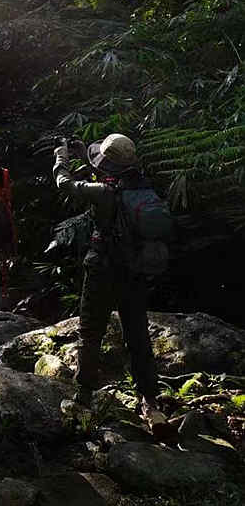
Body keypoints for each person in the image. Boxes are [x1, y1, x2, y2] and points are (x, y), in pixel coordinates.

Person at [53, 132, 164, 426]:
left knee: (91, 331)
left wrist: (60, 158)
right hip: (135, 271)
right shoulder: (141, 185)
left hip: (103, 268)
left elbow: (66, 185)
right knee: (137, 335)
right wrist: (82, 154)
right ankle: (151, 402)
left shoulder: (103, 193)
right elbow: (106, 178)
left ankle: (83, 398)